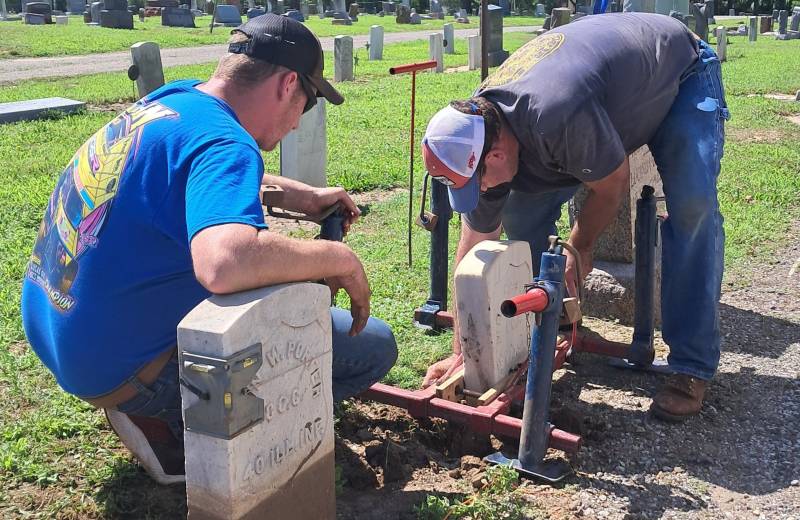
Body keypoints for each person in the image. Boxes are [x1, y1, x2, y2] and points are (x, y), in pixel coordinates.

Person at [20, 14, 397, 485]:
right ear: (286, 85)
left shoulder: (176, 103)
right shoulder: (226, 143)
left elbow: (186, 171)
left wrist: (294, 195)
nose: (300, 120)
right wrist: (339, 258)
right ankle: (171, 420)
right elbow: (224, 262)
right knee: (373, 347)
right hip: (119, 366)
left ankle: (147, 404)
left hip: (59, 332)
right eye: (309, 101)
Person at [421, 13, 728, 422]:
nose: (481, 193)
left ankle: (692, 365)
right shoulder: (480, 127)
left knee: (693, 207)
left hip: (679, 74)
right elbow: (473, 253)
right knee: (521, 216)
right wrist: (463, 354)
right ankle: (548, 322)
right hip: (607, 104)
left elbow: (612, 184)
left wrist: (579, 246)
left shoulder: (554, 113)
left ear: (496, 155)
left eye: (478, 184)